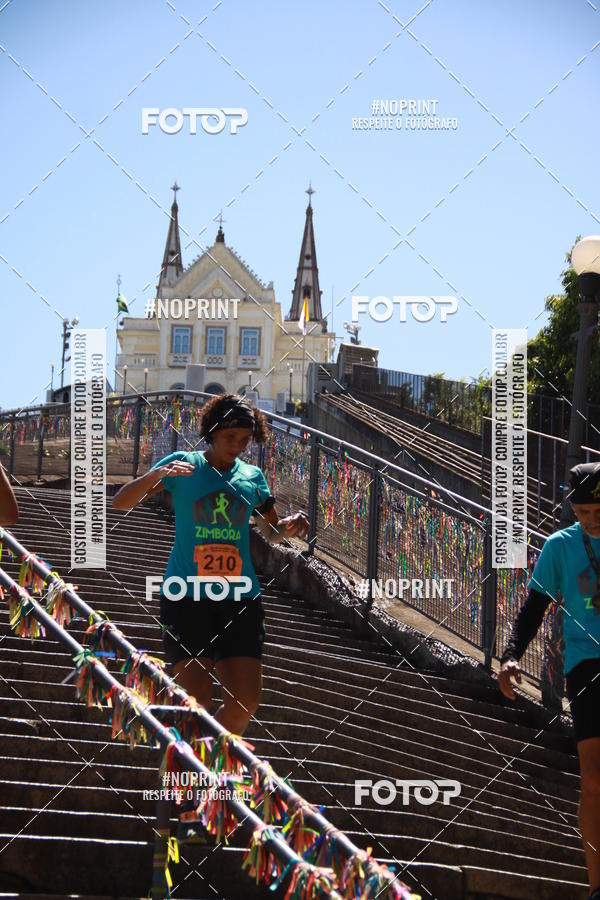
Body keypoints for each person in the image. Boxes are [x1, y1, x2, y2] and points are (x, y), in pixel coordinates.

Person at [112, 392, 309, 840]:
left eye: (244, 438)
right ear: (211, 433)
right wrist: (158, 475)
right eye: (229, 437)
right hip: (186, 597)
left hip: (239, 598)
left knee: (245, 703)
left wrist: (288, 527)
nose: (237, 445)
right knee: (192, 706)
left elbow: (269, 532)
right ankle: (187, 793)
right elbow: (122, 501)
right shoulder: (184, 465)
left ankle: (210, 774)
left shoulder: (252, 478)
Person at [498, 461, 600, 900]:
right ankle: (597, 883)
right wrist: (510, 656)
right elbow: (534, 607)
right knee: (593, 777)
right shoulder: (560, 547)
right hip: (585, 665)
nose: (593, 519)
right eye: (584, 513)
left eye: (599, 510)